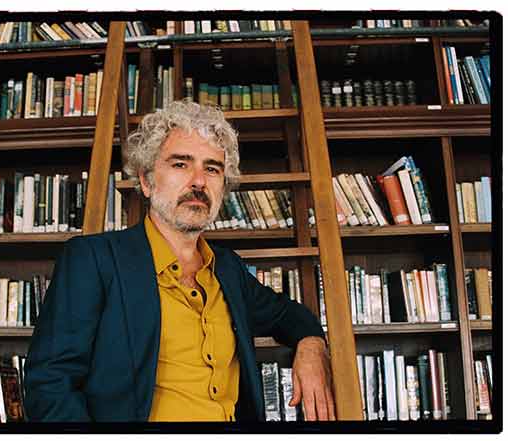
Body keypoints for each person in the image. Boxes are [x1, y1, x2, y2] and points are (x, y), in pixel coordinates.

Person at [24, 100, 335, 422]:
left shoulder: (228, 269)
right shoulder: (94, 259)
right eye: (181, 164)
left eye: (212, 168)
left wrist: (312, 346)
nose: (199, 181)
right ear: (147, 182)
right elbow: (49, 385)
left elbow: (289, 315)